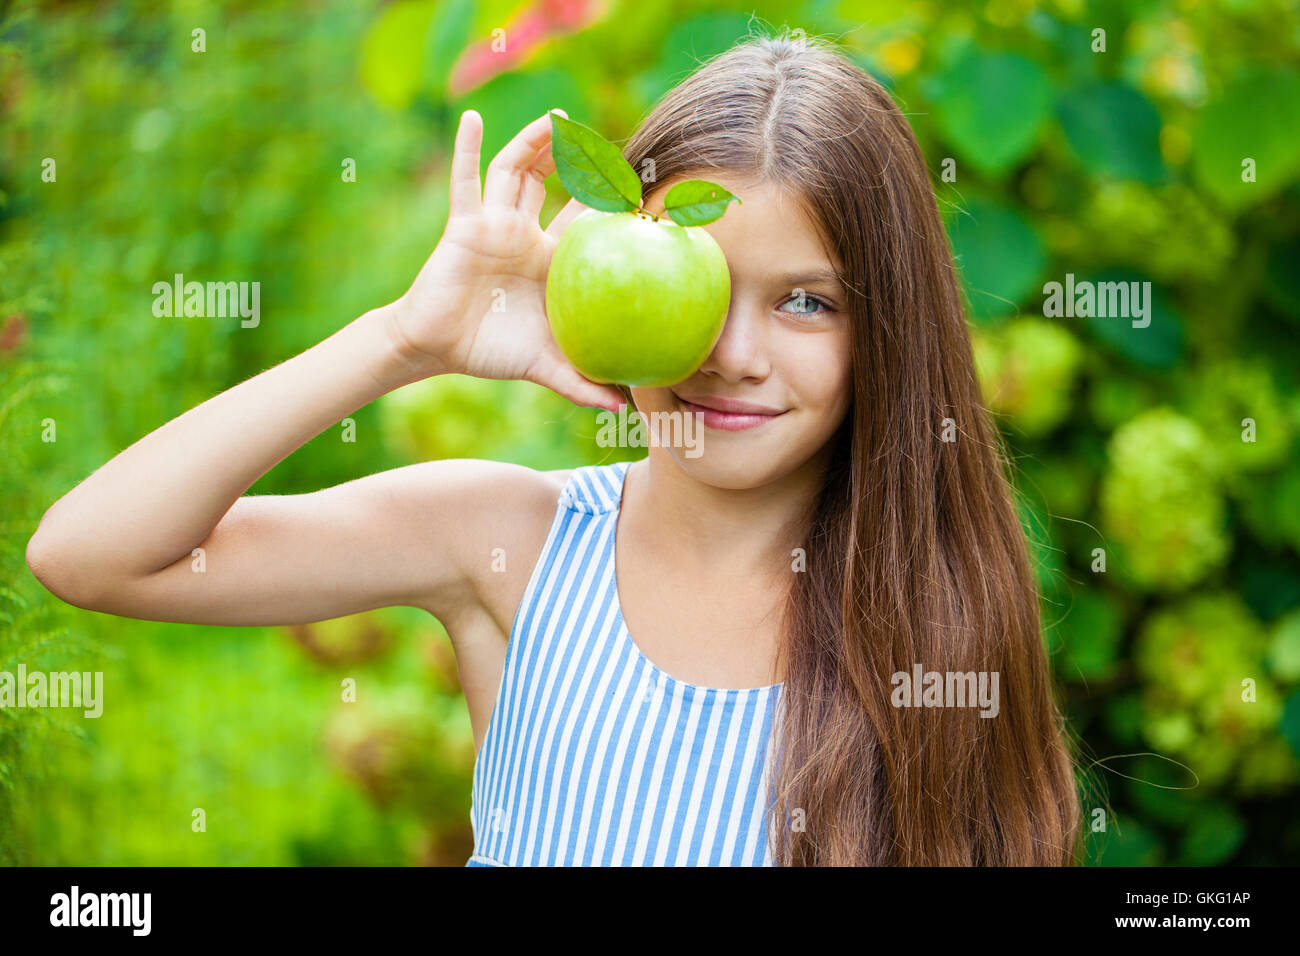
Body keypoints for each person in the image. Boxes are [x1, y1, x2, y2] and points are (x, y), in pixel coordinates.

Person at [26, 32, 1080, 866]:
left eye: (807, 302)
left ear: (885, 329)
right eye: (698, 283)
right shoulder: (509, 543)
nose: (736, 355)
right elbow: (91, 552)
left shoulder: (931, 605)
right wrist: (404, 339)